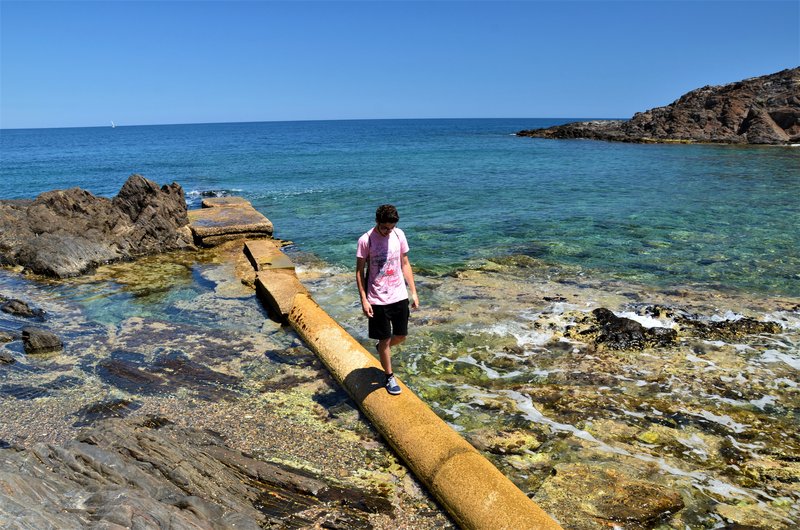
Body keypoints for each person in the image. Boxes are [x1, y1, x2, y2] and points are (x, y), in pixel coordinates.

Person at [356, 204, 419, 395]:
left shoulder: (399, 235)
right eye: (384, 228)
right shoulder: (365, 240)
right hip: (377, 298)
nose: (387, 232)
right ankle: (389, 377)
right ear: (377, 222)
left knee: (401, 336)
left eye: (391, 228)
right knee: (384, 339)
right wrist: (364, 300)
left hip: (399, 295)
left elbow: (405, 263)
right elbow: (359, 272)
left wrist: (414, 292)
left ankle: (382, 349)